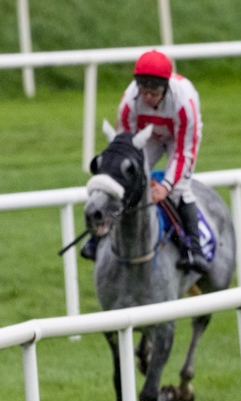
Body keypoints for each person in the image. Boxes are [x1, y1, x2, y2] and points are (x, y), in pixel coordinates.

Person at [86, 49, 206, 272]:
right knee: (123, 180)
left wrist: (165, 186)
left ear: (165, 88)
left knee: (180, 189)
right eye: (143, 91)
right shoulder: (129, 101)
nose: (148, 97)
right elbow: (124, 147)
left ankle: (194, 249)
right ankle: (96, 238)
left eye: (154, 92)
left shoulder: (184, 103)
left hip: (178, 139)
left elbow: (184, 152)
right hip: (148, 136)